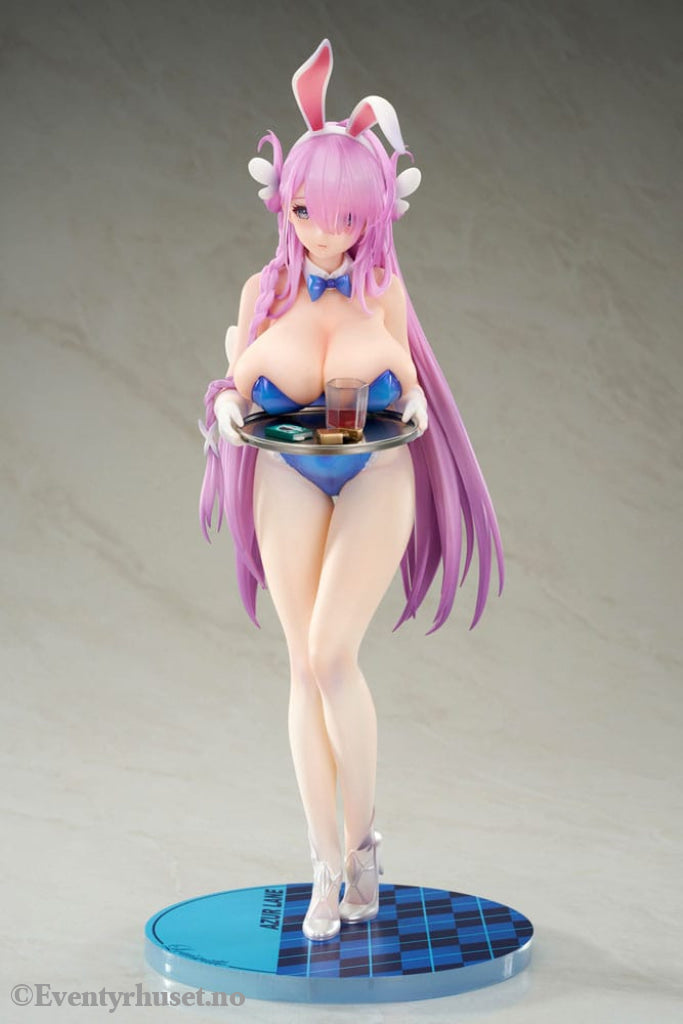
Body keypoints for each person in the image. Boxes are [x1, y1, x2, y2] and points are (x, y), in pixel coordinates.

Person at [199, 40, 504, 942]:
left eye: (342, 217)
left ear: (373, 213)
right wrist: (225, 411)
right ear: (283, 202)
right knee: (301, 666)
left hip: (376, 467)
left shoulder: (383, 293)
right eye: (305, 211)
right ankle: (325, 865)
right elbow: (230, 379)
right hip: (286, 469)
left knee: (333, 655)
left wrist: (412, 403)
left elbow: (411, 382)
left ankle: (363, 844)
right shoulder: (264, 290)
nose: (323, 233)